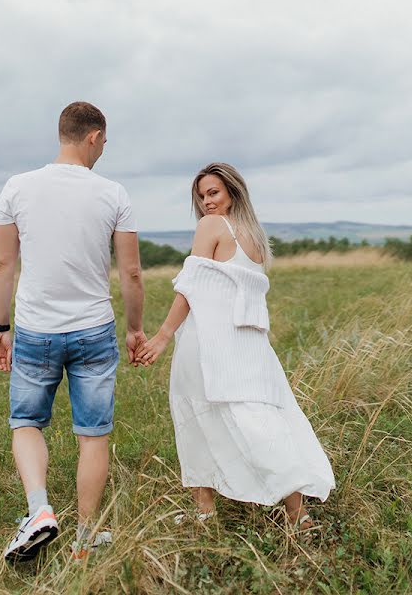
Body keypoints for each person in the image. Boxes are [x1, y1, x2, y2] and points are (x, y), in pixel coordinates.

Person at [0, 101, 146, 562]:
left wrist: (1, 326)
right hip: (94, 330)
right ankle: (84, 538)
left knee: (26, 422)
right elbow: (131, 272)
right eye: (104, 143)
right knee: (92, 434)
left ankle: (39, 509)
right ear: (94, 137)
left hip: (35, 329)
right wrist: (135, 329)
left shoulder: (16, 188)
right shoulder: (113, 193)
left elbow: (3, 263)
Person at [139, 162, 334, 529]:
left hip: (211, 342)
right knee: (267, 419)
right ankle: (298, 514)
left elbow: (191, 285)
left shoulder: (212, 226)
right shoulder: (255, 236)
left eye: (213, 192)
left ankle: (205, 511)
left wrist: (163, 335)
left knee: (194, 414)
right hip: (250, 345)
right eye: (200, 196)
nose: (206, 202)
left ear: (232, 191)